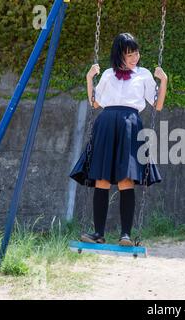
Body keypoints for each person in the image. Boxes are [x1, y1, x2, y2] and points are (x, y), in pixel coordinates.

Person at [70, 33, 167, 246]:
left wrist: (164, 80)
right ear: (119, 55)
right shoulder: (107, 74)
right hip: (106, 123)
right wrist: (89, 78)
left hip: (130, 124)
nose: (134, 57)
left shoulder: (143, 75)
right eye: (129, 54)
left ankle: (125, 234)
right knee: (101, 178)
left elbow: (157, 105)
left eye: (136, 53)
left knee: (126, 178)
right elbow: (95, 103)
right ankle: (98, 233)